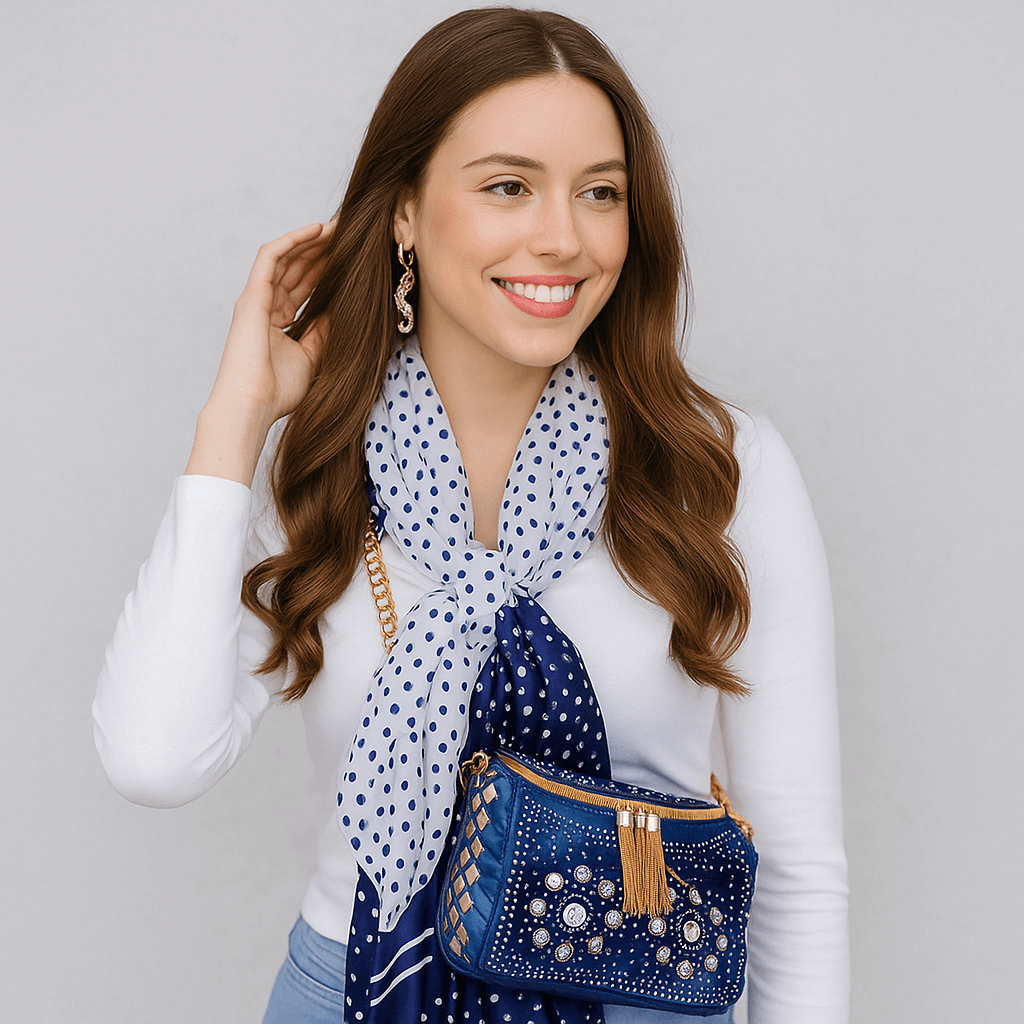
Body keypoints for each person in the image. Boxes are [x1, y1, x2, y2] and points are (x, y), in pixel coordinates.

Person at [93, 8, 848, 1024]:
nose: (562, 237)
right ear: (404, 211)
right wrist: (236, 416)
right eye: (507, 186)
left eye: (600, 194)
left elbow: (796, 867)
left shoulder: (715, 466)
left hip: (638, 994)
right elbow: (153, 757)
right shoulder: (317, 466)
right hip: (362, 990)